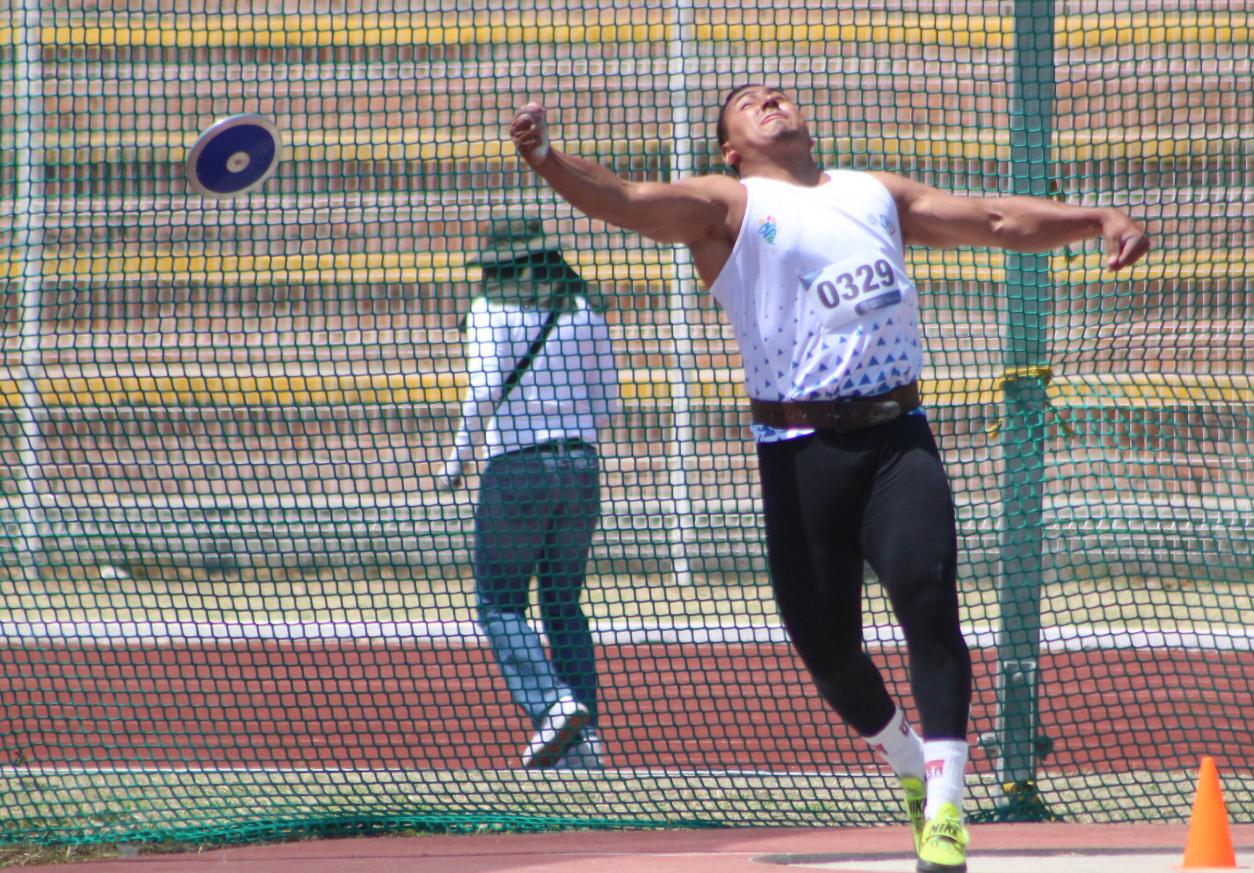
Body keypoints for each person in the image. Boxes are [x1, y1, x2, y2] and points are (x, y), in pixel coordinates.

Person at [507, 84, 1150, 871]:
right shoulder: (728, 205)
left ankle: (946, 809)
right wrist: (547, 157)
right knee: (827, 649)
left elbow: (991, 219)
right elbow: (628, 201)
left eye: (777, 93)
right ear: (731, 149)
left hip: (897, 437)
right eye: (749, 103)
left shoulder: (872, 192)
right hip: (799, 448)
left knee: (928, 600)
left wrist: (1095, 219)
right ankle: (909, 765)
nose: (770, 99)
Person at [437, 213, 619, 770]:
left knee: (499, 602)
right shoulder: (584, 308)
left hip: (516, 468)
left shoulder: (490, 310)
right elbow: (608, 402)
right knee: (563, 604)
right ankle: (583, 744)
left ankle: (551, 705)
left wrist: (456, 462)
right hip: (581, 468)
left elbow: (484, 391)